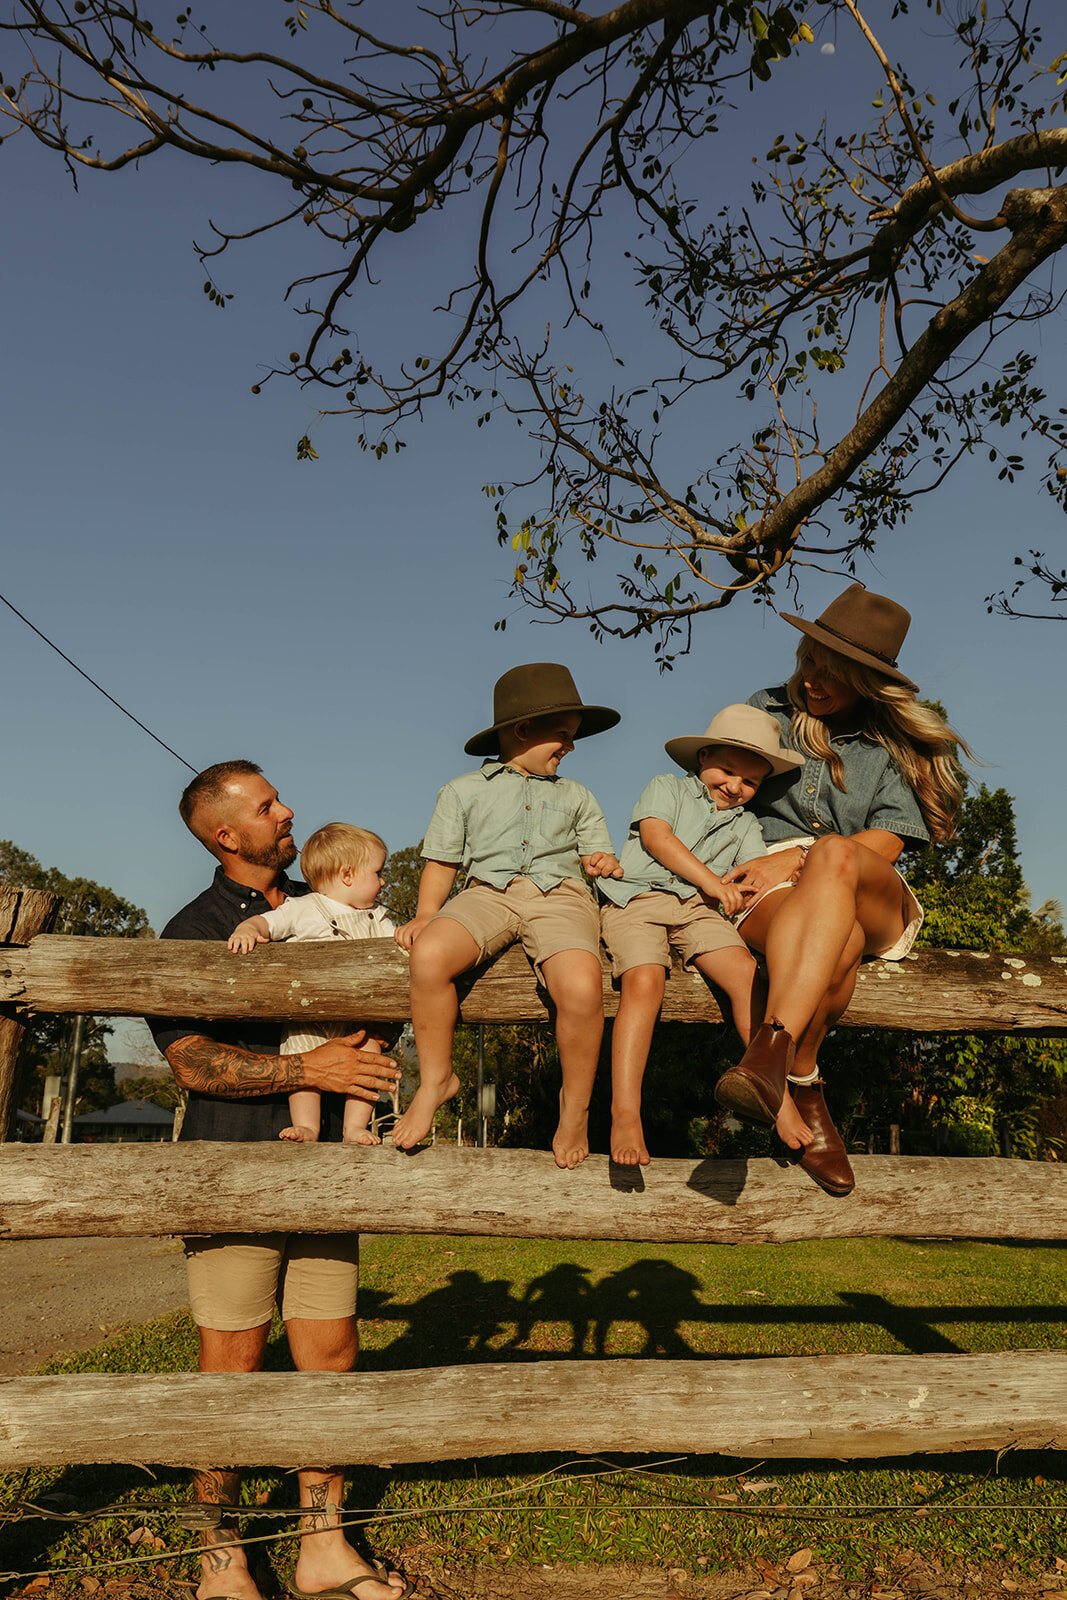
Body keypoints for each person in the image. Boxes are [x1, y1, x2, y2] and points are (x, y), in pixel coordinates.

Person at [146, 760, 409, 1600]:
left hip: (330, 1167)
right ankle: (218, 1553)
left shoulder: (333, 905)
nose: (287, 808)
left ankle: (321, 1545)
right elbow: (190, 1060)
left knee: (329, 1354)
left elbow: (386, 995)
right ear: (226, 835)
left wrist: (368, 1055)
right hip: (235, 1169)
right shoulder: (192, 927)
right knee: (232, 1360)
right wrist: (312, 1069)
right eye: (266, 806)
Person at [714, 586, 970, 1197]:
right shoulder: (766, 711)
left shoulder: (889, 744)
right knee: (841, 939)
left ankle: (768, 1050)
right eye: (808, 661)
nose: (814, 681)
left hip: (864, 877)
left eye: (835, 672)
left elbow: (888, 841)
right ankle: (798, 1075)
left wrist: (803, 859)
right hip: (766, 879)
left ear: (869, 682)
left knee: (835, 856)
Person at [394, 662, 623, 1168]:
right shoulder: (462, 791)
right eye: (563, 735)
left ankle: (577, 1104)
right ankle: (437, 1078)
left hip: (560, 896)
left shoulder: (578, 795)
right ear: (522, 731)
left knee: (583, 987)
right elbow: (443, 861)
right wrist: (427, 912)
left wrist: (599, 863)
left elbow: (594, 855)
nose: (571, 746)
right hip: (487, 894)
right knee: (429, 956)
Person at [599, 704, 803, 1166]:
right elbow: (657, 839)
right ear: (703, 756)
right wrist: (713, 882)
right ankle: (625, 1111)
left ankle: (776, 1094)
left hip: (699, 912)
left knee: (748, 974)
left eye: (750, 781)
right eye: (727, 770)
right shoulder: (666, 788)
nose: (735, 786)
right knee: (645, 980)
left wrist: (790, 867)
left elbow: (750, 878)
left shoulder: (747, 824)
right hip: (637, 898)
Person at [228, 822, 399, 1145]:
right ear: (347, 875)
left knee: (370, 1054)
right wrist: (250, 929)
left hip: (357, 1024)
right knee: (303, 1069)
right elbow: (269, 923)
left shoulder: (377, 918)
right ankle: (307, 1127)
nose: (383, 880)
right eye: (377, 872)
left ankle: (354, 1128)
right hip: (308, 1018)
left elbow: (396, 948)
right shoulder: (304, 907)